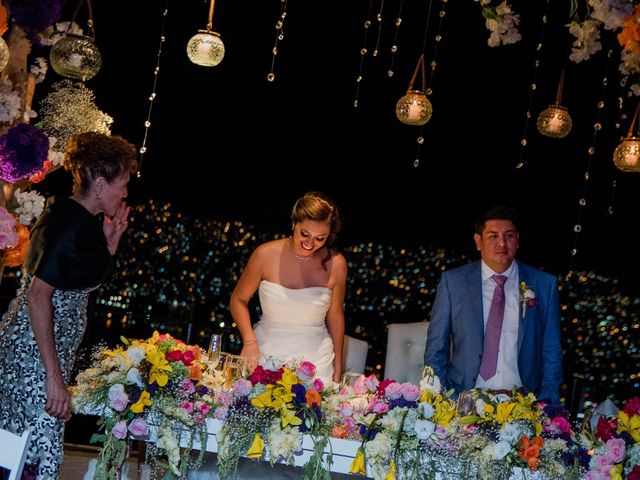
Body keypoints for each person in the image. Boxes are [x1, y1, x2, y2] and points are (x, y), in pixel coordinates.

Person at [0, 132, 138, 479]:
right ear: (102, 183)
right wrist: (54, 378)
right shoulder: (65, 224)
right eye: (122, 183)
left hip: (43, 355)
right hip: (33, 359)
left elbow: (74, 277)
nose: (125, 193)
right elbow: (37, 296)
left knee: (25, 455)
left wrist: (109, 246)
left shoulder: (83, 219)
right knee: (35, 456)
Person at [423, 205, 563, 405]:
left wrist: (546, 402)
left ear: (517, 240)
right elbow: (436, 348)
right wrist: (443, 398)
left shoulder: (543, 285)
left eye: (509, 235)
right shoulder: (453, 282)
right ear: (478, 241)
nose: (502, 243)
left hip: (522, 403)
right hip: (464, 401)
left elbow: (551, 350)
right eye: (493, 236)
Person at [230, 191, 347, 383]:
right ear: (294, 224)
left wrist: (338, 363)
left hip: (317, 362)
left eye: (320, 238)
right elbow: (238, 300)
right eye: (304, 234)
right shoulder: (264, 254)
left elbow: (335, 315)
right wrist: (249, 341)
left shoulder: (337, 264)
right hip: (264, 353)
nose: (310, 244)